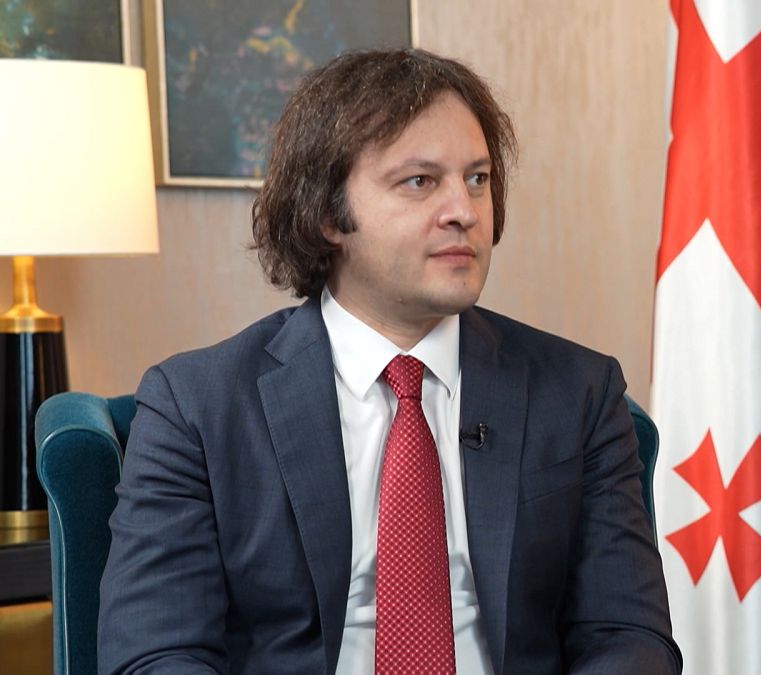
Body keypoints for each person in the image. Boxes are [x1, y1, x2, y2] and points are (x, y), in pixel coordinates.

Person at [97, 48, 680, 675]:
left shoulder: (578, 391)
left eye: (477, 179)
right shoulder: (197, 406)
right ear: (328, 214)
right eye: (420, 182)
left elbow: (628, 637)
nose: (465, 211)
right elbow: (156, 653)